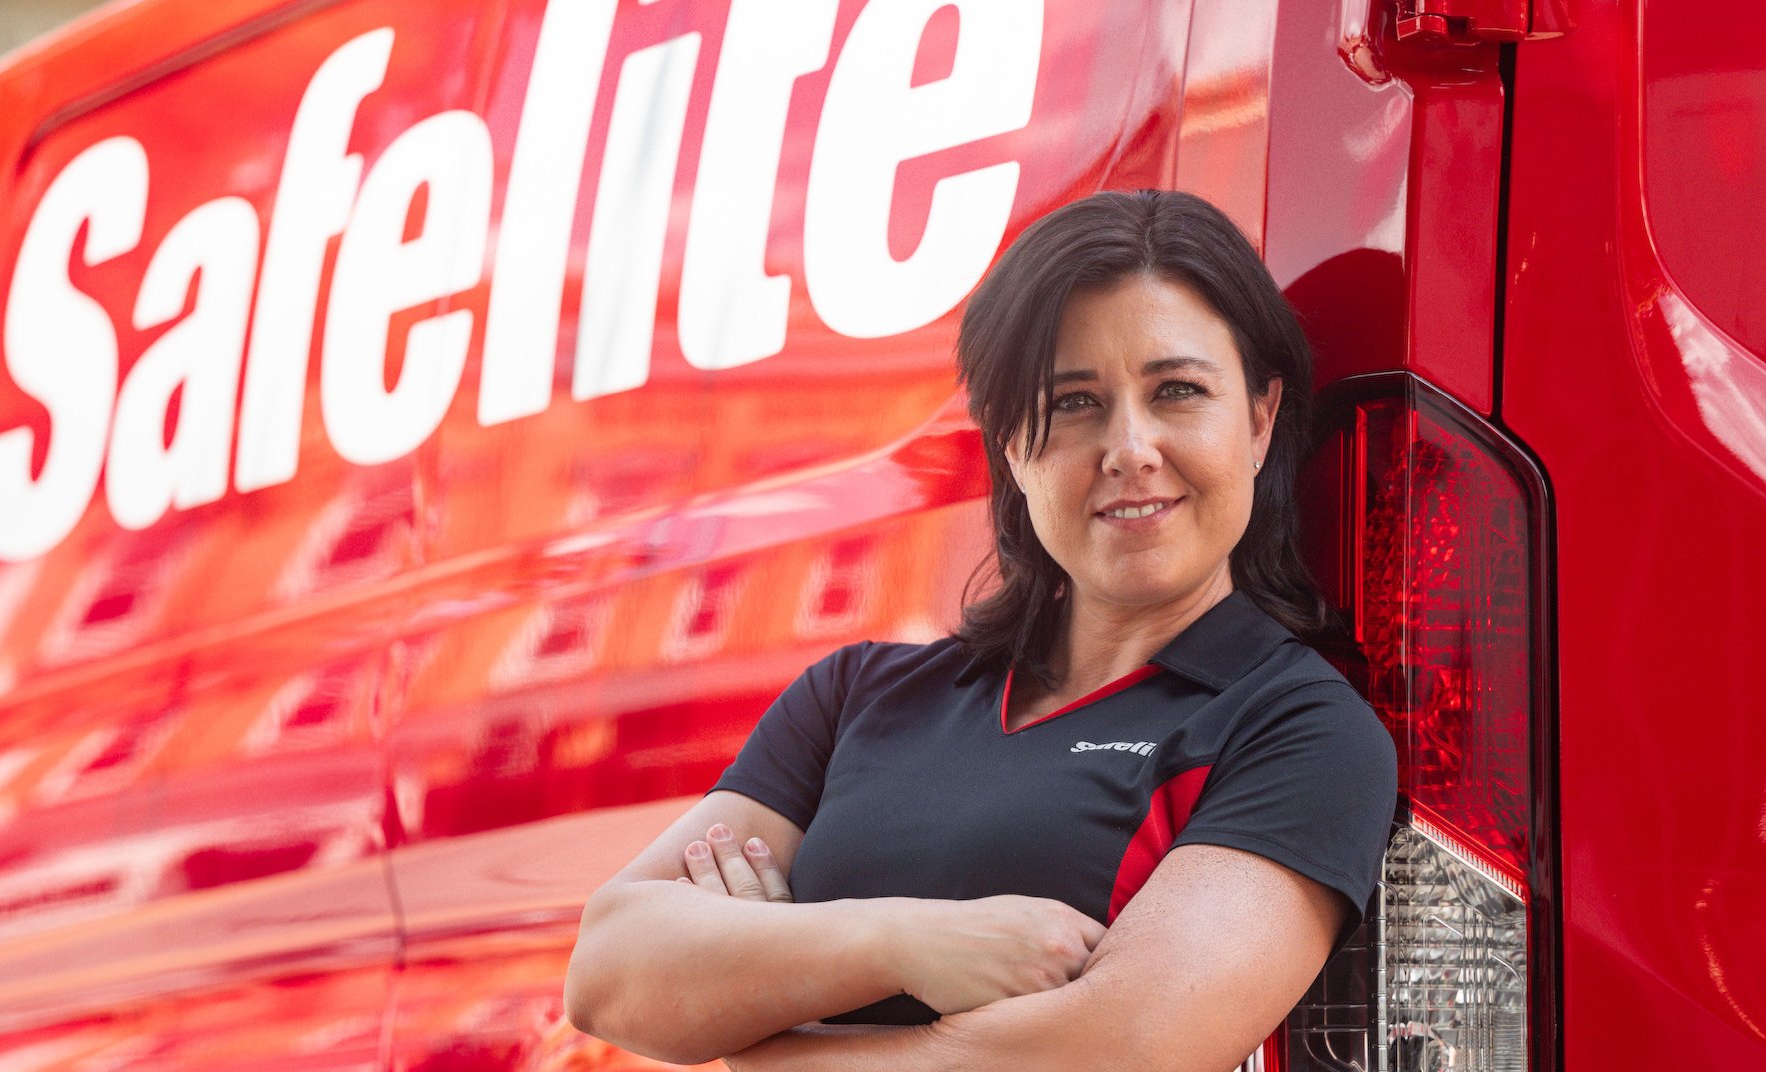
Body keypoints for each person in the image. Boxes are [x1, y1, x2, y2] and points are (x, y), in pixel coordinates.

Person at [563, 190, 1398, 1072]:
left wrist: (756, 1031)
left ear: (1259, 422)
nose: (1130, 448)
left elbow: (1126, 1046)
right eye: (1074, 402)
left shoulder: (1298, 730)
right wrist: (904, 941)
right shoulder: (856, 696)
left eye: (1178, 391)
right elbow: (609, 970)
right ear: (1011, 447)